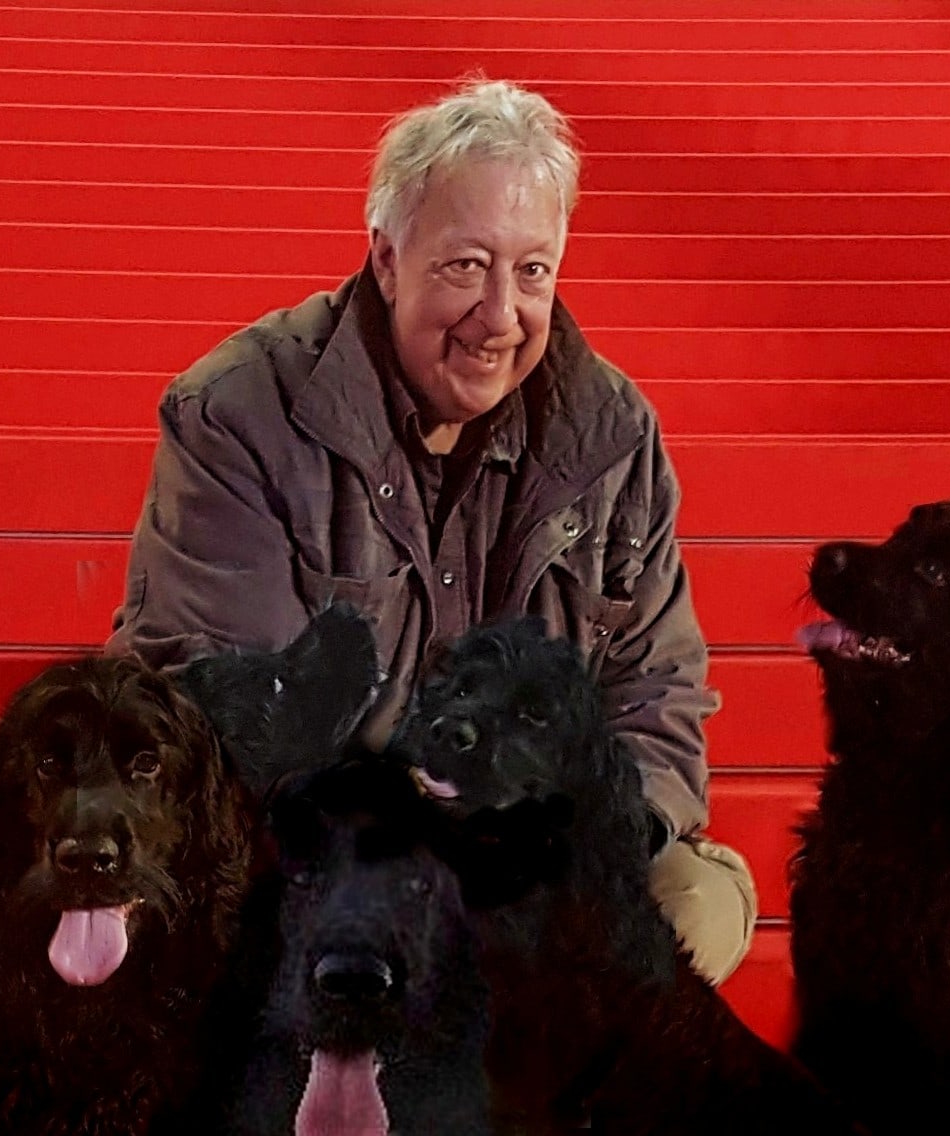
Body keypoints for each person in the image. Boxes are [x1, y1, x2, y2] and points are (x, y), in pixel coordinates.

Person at [109, 79, 757, 982]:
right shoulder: (239, 413)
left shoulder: (613, 435)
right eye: (466, 266)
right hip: (313, 862)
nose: (500, 315)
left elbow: (657, 695)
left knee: (698, 898)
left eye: (532, 271)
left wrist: (579, 845)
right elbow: (233, 710)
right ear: (387, 259)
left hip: (528, 867)